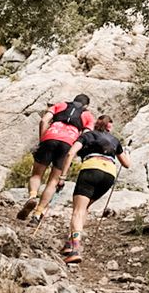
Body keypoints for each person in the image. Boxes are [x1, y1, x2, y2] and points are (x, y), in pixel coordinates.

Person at [57, 116, 130, 264]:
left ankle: (75, 249)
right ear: (109, 127)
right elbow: (127, 164)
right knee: (84, 208)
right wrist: (127, 152)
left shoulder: (87, 136)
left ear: (96, 125)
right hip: (109, 175)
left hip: (91, 170)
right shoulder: (115, 140)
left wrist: (62, 177)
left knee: (78, 210)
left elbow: (70, 153)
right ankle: (70, 243)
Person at [17, 93, 95, 223]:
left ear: (73, 100)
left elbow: (44, 120)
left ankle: (32, 196)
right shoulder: (87, 115)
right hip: (68, 143)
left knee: (36, 174)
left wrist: (42, 139)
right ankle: (37, 214)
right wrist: (75, 151)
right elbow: (86, 135)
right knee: (53, 181)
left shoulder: (61, 105)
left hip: (50, 137)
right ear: (86, 105)